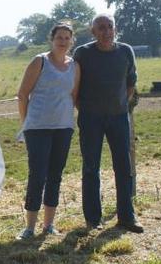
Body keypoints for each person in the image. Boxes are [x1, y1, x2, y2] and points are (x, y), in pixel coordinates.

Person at [73, 14, 143, 233]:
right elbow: (74, 86)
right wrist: (85, 108)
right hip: (90, 118)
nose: (106, 31)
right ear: (92, 31)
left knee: (123, 167)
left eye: (109, 27)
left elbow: (130, 83)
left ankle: (127, 217)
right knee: (91, 168)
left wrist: (120, 104)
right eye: (101, 28)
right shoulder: (82, 54)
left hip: (119, 117)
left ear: (115, 29)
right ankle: (93, 219)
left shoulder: (125, 51)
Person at [15, 23, 80, 240]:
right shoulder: (39, 61)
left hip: (63, 128)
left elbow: (73, 96)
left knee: (55, 176)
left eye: (67, 38)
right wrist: (26, 123)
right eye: (59, 37)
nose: (63, 41)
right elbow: (23, 95)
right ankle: (29, 227)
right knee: (37, 175)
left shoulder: (75, 66)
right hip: (38, 128)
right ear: (51, 40)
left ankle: (49, 225)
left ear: (72, 41)